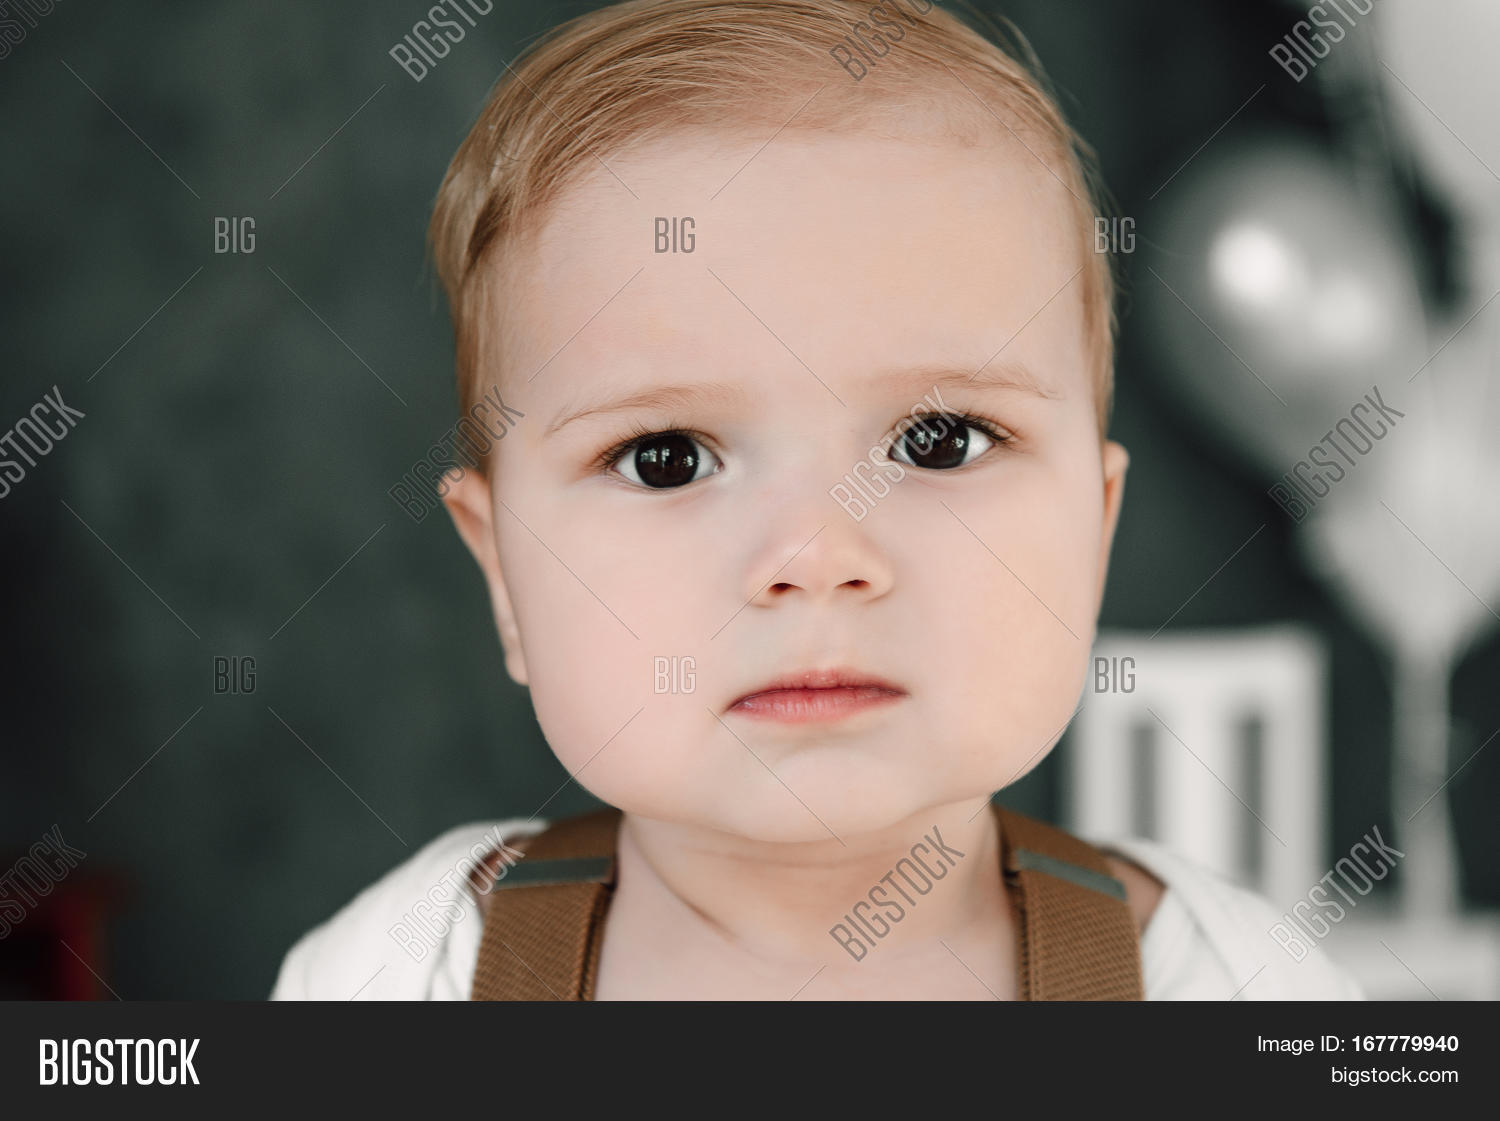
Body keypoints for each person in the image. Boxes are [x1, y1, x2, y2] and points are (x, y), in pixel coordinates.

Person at [272, 0, 1362, 1000]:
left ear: (1097, 529)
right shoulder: (405, 976)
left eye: (938, 442)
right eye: (665, 457)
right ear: (505, 573)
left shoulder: (1233, 989)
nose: (817, 551)